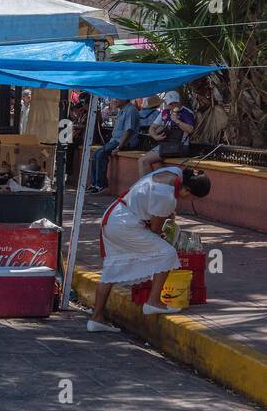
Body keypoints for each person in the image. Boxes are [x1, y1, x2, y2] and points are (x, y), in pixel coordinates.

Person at [88, 166, 212, 332]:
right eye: (192, 198)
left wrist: (163, 214)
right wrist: (165, 227)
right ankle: (154, 302)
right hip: (126, 225)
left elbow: (149, 200)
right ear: (187, 189)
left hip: (115, 217)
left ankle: (97, 318)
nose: (190, 201)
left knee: (111, 268)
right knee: (167, 254)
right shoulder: (167, 198)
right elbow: (155, 229)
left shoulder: (174, 172)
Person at [138, 91, 197, 175]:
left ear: (179, 101)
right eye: (170, 104)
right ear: (167, 103)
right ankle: (158, 185)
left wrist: (177, 121)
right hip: (166, 144)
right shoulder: (165, 112)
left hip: (180, 146)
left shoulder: (187, 113)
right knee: (156, 164)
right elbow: (152, 128)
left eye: (175, 103)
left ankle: (145, 187)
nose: (173, 106)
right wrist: (155, 136)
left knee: (143, 161)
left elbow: (190, 129)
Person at [88, 98, 140, 194]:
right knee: (96, 154)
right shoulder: (122, 111)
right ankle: (95, 184)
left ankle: (101, 185)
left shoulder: (131, 110)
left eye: (117, 98)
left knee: (101, 154)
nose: (115, 100)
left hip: (124, 142)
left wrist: (119, 147)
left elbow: (128, 131)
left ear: (124, 99)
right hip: (115, 140)